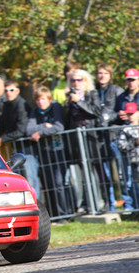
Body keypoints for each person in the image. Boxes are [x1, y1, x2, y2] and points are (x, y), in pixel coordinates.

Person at [26, 86, 71, 221]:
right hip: (44, 152)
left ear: (49, 99)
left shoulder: (56, 108)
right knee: (49, 184)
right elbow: (28, 130)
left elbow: (59, 127)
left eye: (43, 99)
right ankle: (55, 215)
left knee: (59, 183)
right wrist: (45, 126)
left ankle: (65, 213)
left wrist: (40, 132)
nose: (41, 102)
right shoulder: (35, 112)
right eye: (38, 100)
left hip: (59, 151)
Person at [65, 69, 106, 213]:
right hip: (76, 139)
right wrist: (68, 102)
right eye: (73, 80)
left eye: (79, 79)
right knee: (83, 174)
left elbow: (96, 112)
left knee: (96, 172)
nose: (76, 83)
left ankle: (102, 203)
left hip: (91, 138)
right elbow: (67, 119)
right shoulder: (70, 96)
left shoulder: (92, 94)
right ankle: (88, 205)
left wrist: (79, 102)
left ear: (86, 80)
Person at [0, 79, 41, 199]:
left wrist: (2, 139)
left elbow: (21, 130)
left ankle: (38, 210)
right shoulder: (6, 105)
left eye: (12, 90)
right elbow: (1, 124)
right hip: (16, 149)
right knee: (20, 182)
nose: (8, 93)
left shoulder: (21, 105)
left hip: (27, 148)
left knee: (31, 180)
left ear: (17, 91)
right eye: (6, 90)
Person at [95, 64, 125, 212]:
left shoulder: (117, 91)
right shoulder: (93, 91)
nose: (102, 76)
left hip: (115, 137)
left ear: (110, 75)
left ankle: (129, 204)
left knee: (122, 172)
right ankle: (109, 203)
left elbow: (121, 113)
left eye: (105, 73)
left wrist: (108, 118)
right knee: (104, 174)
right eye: (99, 73)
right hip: (99, 139)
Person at [113, 68, 139, 211]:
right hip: (128, 144)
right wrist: (121, 115)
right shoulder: (121, 97)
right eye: (128, 80)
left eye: (133, 79)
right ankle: (133, 207)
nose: (130, 82)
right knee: (128, 180)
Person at [117, 101, 139, 214]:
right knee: (132, 186)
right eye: (128, 114)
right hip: (132, 161)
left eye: (133, 113)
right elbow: (121, 146)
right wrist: (135, 143)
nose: (131, 116)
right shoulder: (124, 129)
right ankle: (134, 208)